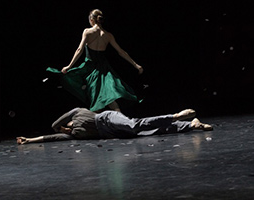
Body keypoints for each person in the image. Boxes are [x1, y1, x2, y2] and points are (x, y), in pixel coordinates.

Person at [46, 9, 143, 112]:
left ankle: (100, 123)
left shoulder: (87, 32)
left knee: (97, 97)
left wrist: (69, 66)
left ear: (91, 19)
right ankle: (120, 122)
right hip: (104, 69)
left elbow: (79, 50)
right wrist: (136, 65)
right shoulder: (108, 35)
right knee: (108, 98)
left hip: (91, 68)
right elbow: (121, 52)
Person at [17, 108, 213, 145]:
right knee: (149, 132)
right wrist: (29, 141)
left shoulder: (77, 112)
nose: (65, 130)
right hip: (110, 134)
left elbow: (53, 126)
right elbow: (51, 138)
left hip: (107, 119)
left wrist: (59, 127)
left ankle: (175, 115)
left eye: (65, 128)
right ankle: (190, 125)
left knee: (135, 125)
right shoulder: (75, 135)